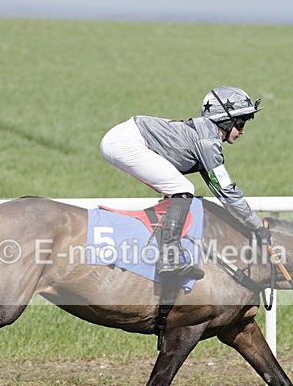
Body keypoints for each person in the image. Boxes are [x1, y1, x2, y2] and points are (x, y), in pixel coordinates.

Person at [99, 85, 272, 280]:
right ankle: (168, 257)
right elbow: (227, 192)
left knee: (177, 190)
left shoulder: (208, 136)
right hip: (124, 141)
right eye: (240, 124)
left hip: (124, 137)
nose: (242, 131)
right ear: (225, 121)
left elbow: (220, 190)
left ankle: (164, 246)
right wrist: (256, 226)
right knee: (183, 188)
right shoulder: (208, 142)